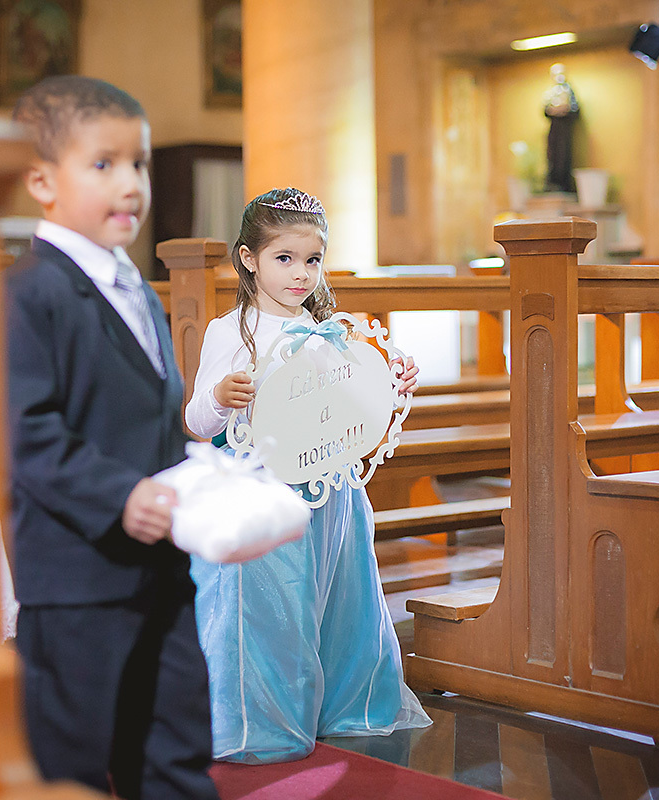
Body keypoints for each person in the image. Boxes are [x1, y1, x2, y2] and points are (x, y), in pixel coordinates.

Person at [6, 76, 219, 799]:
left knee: (175, 745)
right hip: (76, 579)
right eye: (104, 165)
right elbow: (24, 433)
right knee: (71, 763)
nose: (130, 185)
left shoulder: (132, 284)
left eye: (140, 164)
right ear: (40, 179)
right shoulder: (28, 293)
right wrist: (119, 494)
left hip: (161, 567)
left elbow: (149, 410)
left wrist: (203, 473)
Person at [184, 186, 433, 764]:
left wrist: (392, 384)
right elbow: (197, 420)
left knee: (336, 602)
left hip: (331, 493)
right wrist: (222, 396)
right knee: (275, 612)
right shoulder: (233, 330)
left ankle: (342, 706)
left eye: (312, 260)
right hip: (260, 496)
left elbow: (357, 408)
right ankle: (264, 720)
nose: (301, 274)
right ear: (249, 259)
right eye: (284, 259)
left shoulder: (334, 332)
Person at [543, 62, 579, 194]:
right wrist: (553, 111)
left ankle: (564, 184)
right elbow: (545, 109)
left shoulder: (568, 90)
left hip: (565, 128)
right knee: (552, 155)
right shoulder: (551, 92)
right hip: (554, 127)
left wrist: (565, 110)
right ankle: (553, 183)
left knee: (564, 156)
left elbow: (575, 109)